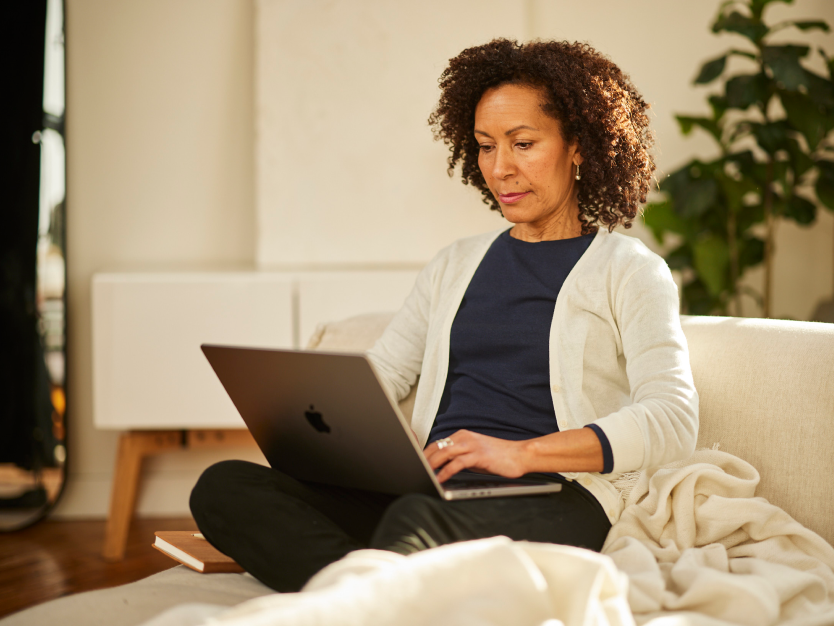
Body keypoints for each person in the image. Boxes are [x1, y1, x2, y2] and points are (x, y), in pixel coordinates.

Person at [190, 38, 698, 593]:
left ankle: (363, 585)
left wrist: (518, 454)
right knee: (222, 487)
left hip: (554, 494)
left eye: (523, 143)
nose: (500, 168)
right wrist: (305, 420)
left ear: (578, 145)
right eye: (484, 147)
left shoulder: (630, 270)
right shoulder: (453, 264)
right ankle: (386, 589)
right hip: (433, 493)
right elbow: (385, 374)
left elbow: (671, 416)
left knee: (414, 524)